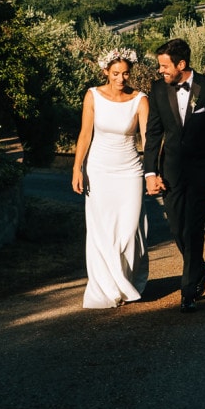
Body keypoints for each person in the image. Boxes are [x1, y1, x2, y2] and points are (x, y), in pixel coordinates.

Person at [142, 38, 205, 313]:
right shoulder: (158, 90)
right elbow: (153, 134)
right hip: (171, 171)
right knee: (176, 227)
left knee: (193, 228)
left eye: (164, 66)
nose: (160, 71)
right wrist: (150, 172)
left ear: (181, 65)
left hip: (203, 172)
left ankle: (189, 290)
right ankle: (200, 267)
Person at [71, 47, 151, 309]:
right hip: (99, 169)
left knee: (129, 230)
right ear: (106, 71)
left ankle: (125, 281)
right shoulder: (93, 96)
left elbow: (148, 140)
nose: (121, 79)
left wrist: (153, 171)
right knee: (101, 229)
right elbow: (85, 135)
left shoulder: (140, 100)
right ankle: (106, 287)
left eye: (126, 74)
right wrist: (77, 168)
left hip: (130, 171)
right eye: (116, 73)